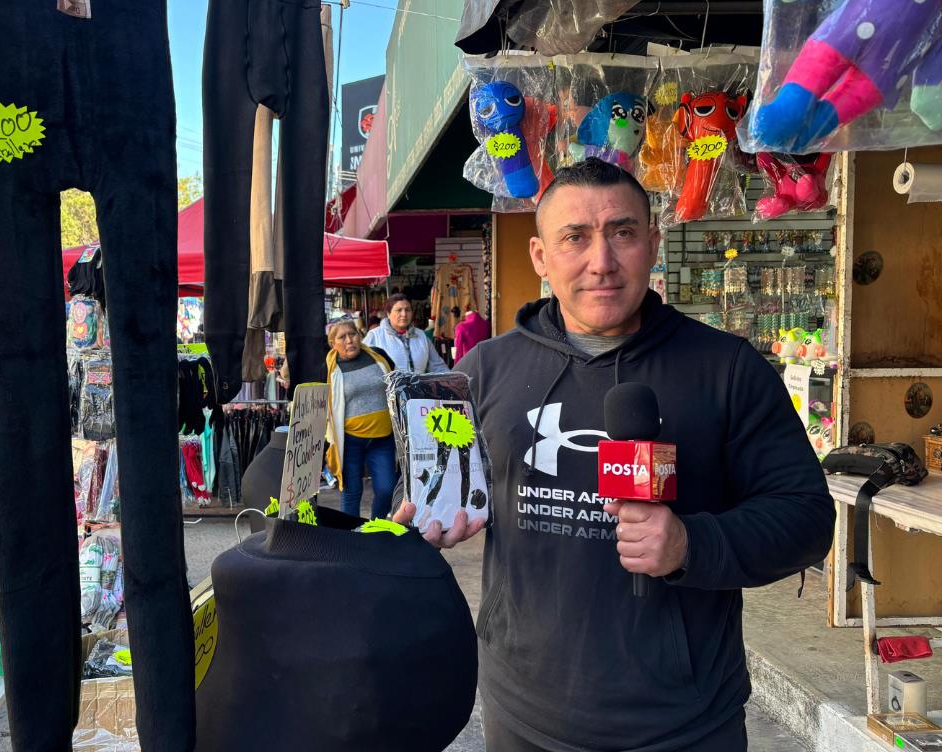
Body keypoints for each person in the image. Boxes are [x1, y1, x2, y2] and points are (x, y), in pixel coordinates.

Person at [395, 159, 835, 752]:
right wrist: (433, 515)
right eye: (574, 237)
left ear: (654, 244)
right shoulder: (483, 372)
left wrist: (689, 545)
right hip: (522, 712)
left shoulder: (729, 371)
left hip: (683, 724)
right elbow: (447, 487)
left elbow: (807, 519)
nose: (601, 261)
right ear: (539, 256)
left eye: (623, 233)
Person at [323, 320, 397, 519]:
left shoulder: (378, 356)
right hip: (350, 442)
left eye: (353, 334)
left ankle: (376, 529)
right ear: (333, 343)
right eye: (342, 337)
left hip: (382, 438)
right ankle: (351, 539)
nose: (349, 340)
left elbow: (396, 381)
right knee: (352, 492)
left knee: (386, 490)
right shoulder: (328, 369)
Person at [363, 294, 449, 373]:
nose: (404, 314)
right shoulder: (375, 336)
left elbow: (438, 366)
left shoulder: (421, 336)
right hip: (387, 389)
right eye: (399, 310)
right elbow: (363, 368)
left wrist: (452, 382)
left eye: (407, 310)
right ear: (388, 314)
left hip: (418, 389)